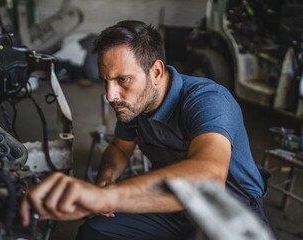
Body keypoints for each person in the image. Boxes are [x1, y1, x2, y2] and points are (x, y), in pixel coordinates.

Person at [20, 20, 269, 240]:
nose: (110, 95)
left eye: (122, 80)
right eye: (106, 81)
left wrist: (107, 197)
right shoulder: (133, 107)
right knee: (94, 232)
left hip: (230, 209)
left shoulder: (208, 100)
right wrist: (106, 178)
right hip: (171, 203)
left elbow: (210, 177)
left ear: (156, 72)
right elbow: (119, 146)